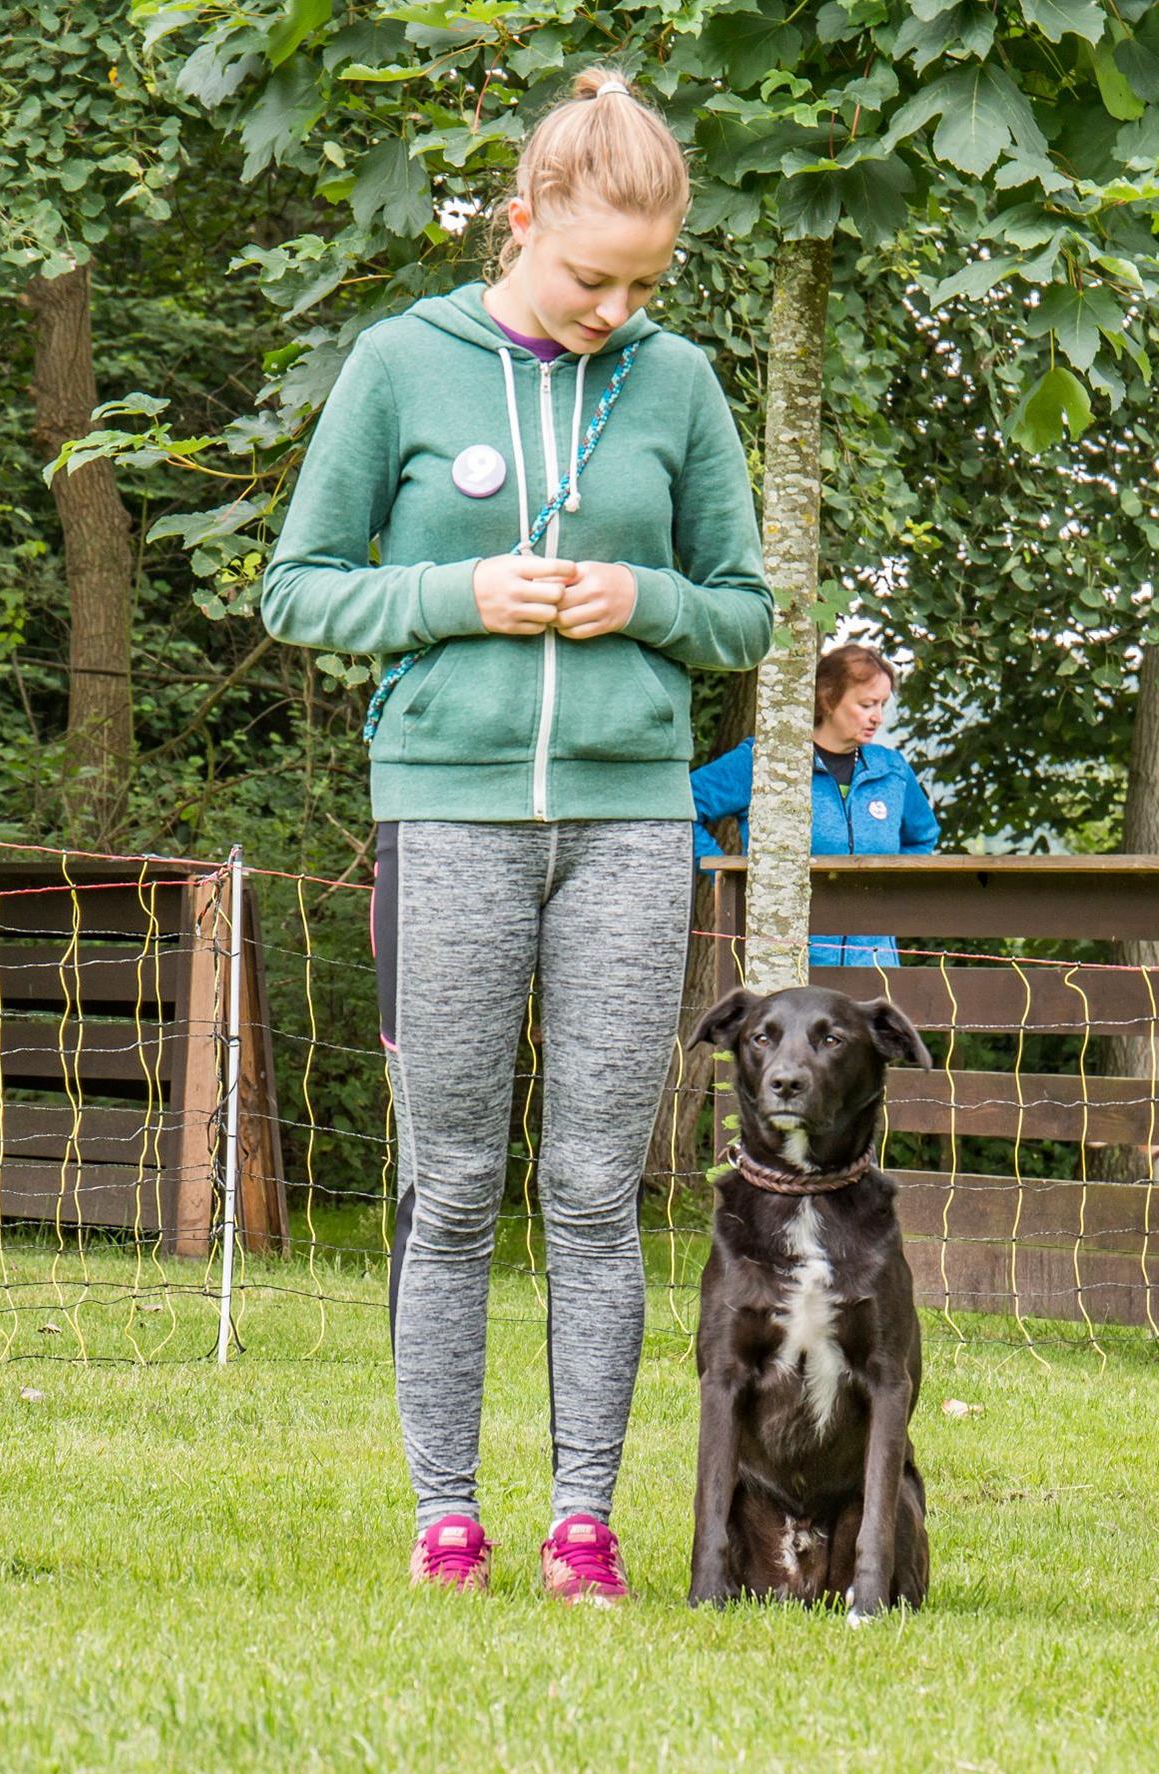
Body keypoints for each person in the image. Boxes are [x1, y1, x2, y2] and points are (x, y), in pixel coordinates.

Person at [259, 68, 772, 1604]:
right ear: (523, 216)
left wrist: (645, 602)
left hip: (630, 824)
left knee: (597, 1192)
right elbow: (298, 587)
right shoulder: (401, 364)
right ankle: (447, 1516)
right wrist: (459, 593)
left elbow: (743, 612)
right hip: (448, 816)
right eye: (591, 276)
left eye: (645, 286)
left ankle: (583, 1523)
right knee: (454, 1183)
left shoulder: (679, 384)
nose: (617, 310)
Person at [689, 644, 940, 967]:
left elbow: (922, 837)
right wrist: (727, 878)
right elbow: (684, 808)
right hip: (787, 963)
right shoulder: (767, 760)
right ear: (827, 698)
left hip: (876, 965)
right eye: (866, 704)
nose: (877, 717)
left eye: (882, 704)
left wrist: (892, 889)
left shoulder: (892, 770)